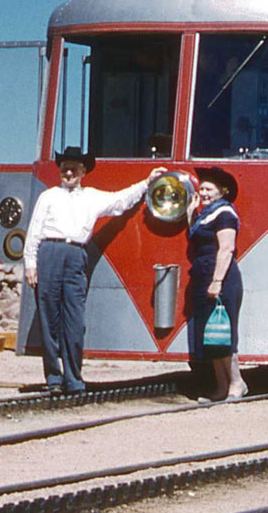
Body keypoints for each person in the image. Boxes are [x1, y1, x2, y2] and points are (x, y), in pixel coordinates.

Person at [23, 147, 166, 395]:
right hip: (50, 252)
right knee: (48, 316)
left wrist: (147, 182)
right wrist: (30, 264)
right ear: (60, 170)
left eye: (74, 169)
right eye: (65, 167)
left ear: (83, 172)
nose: (69, 172)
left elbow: (121, 200)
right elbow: (34, 231)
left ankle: (74, 378)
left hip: (77, 254)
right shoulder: (48, 196)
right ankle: (53, 378)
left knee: (75, 319)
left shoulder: (92, 197)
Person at [187, 166, 248, 402]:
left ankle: (236, 383)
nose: (203, 193)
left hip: (221, 277)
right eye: (201, 188)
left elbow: (226, 248)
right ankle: (221, 387)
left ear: (222, 191)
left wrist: (217, 281)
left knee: (225, 334)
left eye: (208, 189)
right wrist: (190, 215)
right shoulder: (204, 216)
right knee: (211, 335)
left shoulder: (225, 213)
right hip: (204, 276)